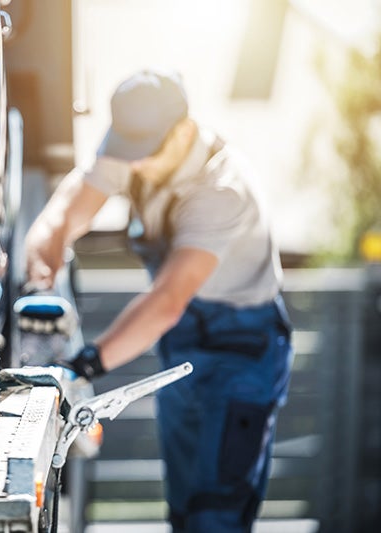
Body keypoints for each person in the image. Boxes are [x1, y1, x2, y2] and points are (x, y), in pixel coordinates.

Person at [24, 69, 294, 532]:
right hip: (185, 337)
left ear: (184, 130)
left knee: (216, 511)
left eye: (146, 154)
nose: (136, 167)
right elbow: (72, 206)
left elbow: (167, 300)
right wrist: (44, 254)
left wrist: (84, 366)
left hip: (241, 351)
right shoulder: (135, 142)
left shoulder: (222, 190)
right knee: (186, 500)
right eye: (128, 153)